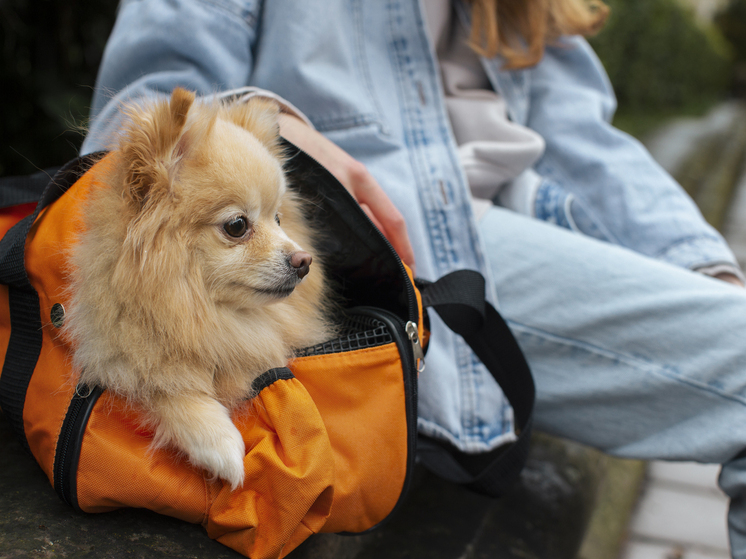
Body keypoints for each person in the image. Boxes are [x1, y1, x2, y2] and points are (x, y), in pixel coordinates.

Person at [81, 0, 746, 555]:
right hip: (404, 242)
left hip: (521, 221)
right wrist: (277, 126)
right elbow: (139, 116)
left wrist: (703, 264)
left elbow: (585, 140)